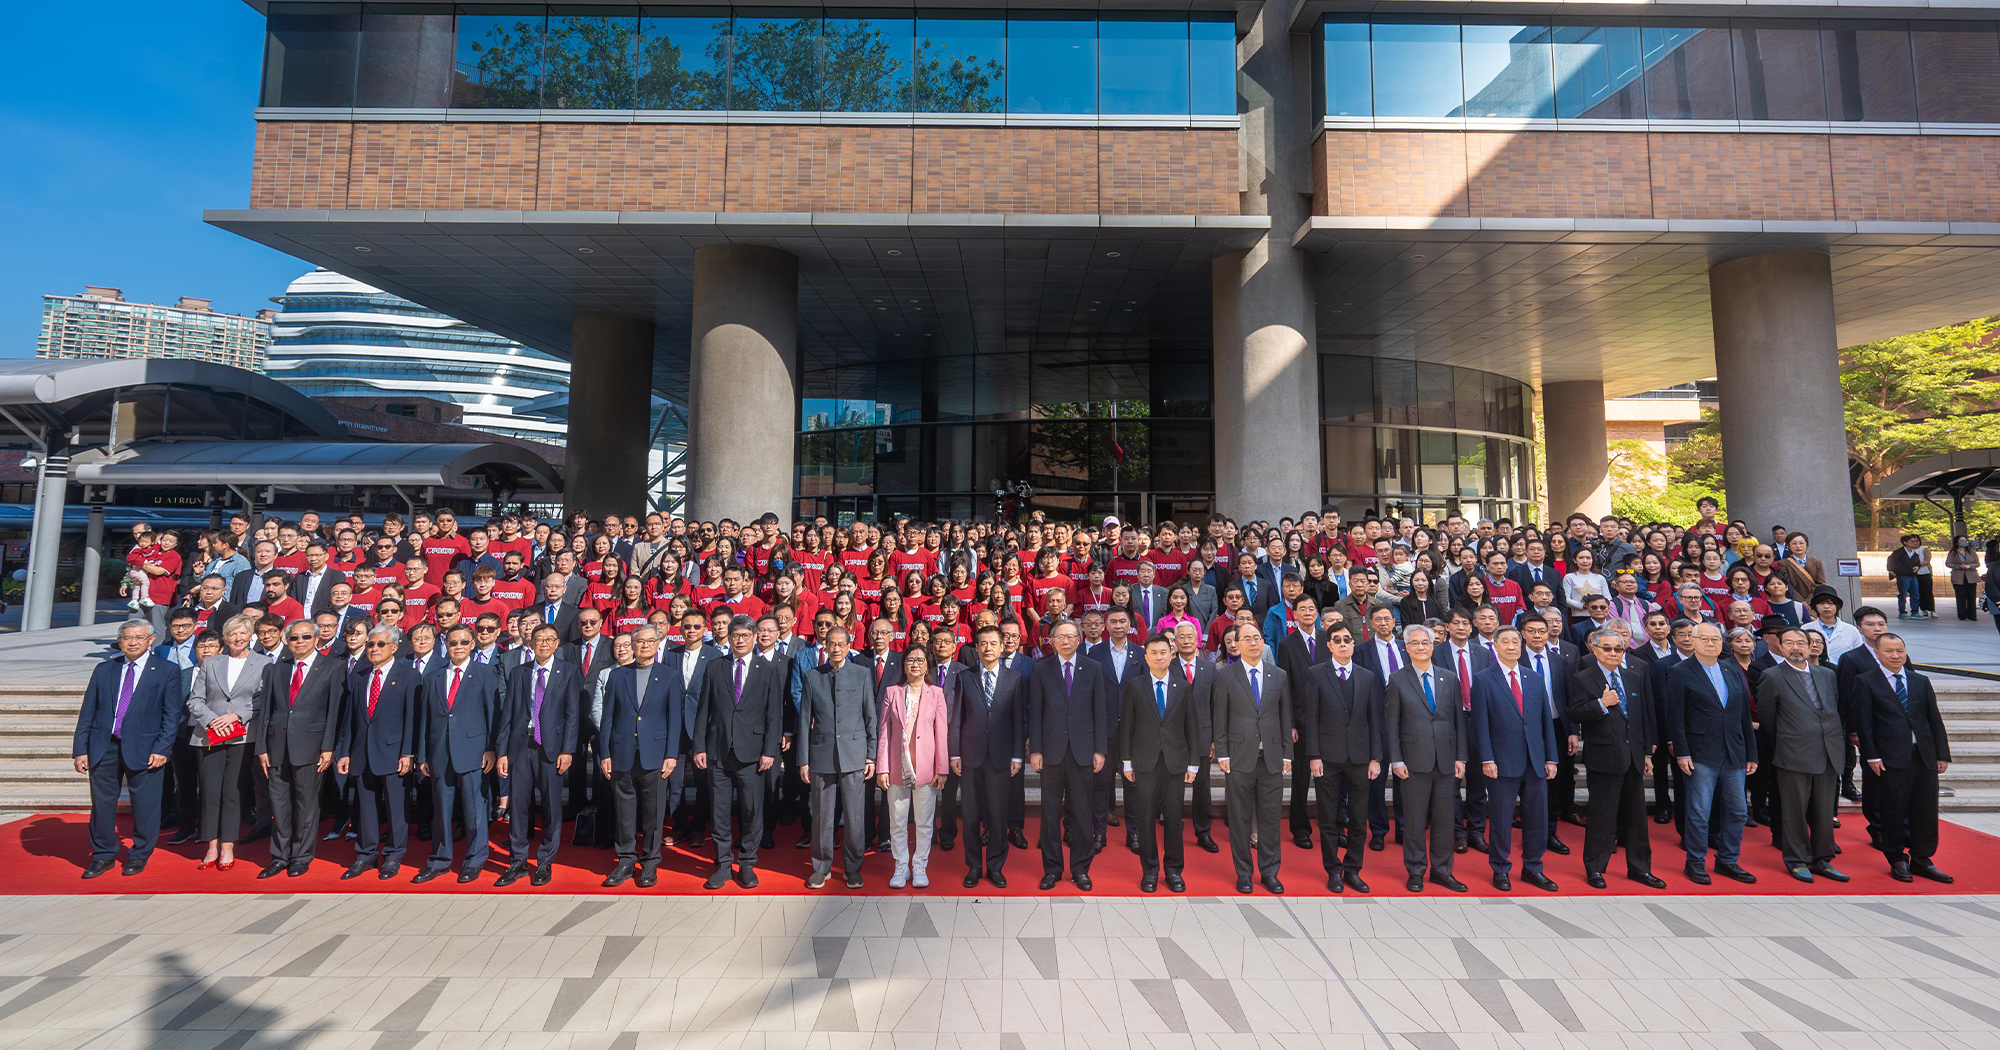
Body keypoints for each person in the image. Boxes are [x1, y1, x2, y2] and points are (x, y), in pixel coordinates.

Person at [73, 619, 181, 879]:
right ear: (119, 641)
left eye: (138, 637)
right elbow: (87, 712)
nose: (133, 642)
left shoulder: (166, 670)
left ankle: (139, 853)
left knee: (145, 805)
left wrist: (163, 748)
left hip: (147, 748)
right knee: (102, 805)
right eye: (127, 637)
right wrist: (80, 749)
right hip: (103, 746)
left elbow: (172, 714)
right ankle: (103, 855)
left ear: (150, 639)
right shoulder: (104, 669)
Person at [692, 615, 786, 890]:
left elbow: (774, 715)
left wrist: (770, 751)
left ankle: (747, 863)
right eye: (736, 636)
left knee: (751, 810)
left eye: (746, 635)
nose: (741, 640)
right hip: (718, 752)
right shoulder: (714, 667)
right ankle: (722, 864)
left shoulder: (768, 670)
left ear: (755, 637)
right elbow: (703, 712)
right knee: (719, 811)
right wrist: (699, 746)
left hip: (753, 753)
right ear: (729, 638)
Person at [1662, 622, 1757, 886]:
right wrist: (1681, 752)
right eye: (1704, 639)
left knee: (1738, 811)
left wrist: (1752, 753)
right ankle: (1695, 862)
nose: (1710, 643)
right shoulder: (1680, 672)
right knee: (1699, 811)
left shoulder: (1731, 669)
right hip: (1700, 753)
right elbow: (1675, 717)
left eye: (1715, 639)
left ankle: (1728, 859)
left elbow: (1743, 716)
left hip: (1734, 752)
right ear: (1691, 641)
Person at [1569, 628, 1665, 890]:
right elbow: (1574, 713)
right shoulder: (1582, 678)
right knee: (1602, 817)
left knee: (1637, 818)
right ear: (1595, 650)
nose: (1613, 653)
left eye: (1618, 649)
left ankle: (1640, 868)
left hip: (1634, 755)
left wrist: (1646, 752)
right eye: (1607, 648)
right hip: (1603, 757)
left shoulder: (1633, 676)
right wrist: (1600, 703)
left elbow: (1643, 714)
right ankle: (1595, 869)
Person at [1852, 634, 1953, 883]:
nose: (1895, 655)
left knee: (1926, 810)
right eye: (1889, 651)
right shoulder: (1865, 681)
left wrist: (1942, 754)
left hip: (1924, 756)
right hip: (1889, 758)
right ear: (1877, 653)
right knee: (1894, 809)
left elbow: (1934, 720)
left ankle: (1922, 858)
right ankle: (1897, 858)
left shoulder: (1920, 680)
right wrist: (1871, 756)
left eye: (1900, 650)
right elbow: (1864, 724)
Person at [1469, 627, 1560, 892]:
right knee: (1501, 818)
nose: (1511, 646)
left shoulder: (1534, 678)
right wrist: (1486, 758)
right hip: (1501, 761)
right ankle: (1500, 868)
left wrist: (1551, 758)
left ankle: (1533, 867)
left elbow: (1545, 721)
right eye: (1505, 642)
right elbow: (1480, 724)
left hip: (1535, 761)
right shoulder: (1484, 679)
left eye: (1515, 642)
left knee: (1537, 818)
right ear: (1494, 646)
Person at [252, 618, 344, 879]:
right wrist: (262, 748)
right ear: (287, 641)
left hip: (311, 747)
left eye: (305, 637)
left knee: (306, 805)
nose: (299, 642)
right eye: (294, 638)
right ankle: (280, 856)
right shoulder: (276, 669)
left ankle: (301, 856)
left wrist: (328, 747)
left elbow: (334, 711)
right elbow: (266, 712)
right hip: (276, 747)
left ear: (316, 639)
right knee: (279, 805)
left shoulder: (332, 667)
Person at [1756, 627, 1847, 883]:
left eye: (1801, 643)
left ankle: (1822, 860)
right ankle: (1797, 860)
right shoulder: (1772, 676)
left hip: (1828, 751)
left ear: (1810, 646)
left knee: (1823, 810)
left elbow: (1834, 709)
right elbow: (1768, 720)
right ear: (1781, 647)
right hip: (1792, 753)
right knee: (1794, 810)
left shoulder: (1827, 674)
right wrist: (1788, 742)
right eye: (1789, 643)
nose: (1796, 648)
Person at [1117, 634, 1205, 893]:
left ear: (1171, 654)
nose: (1158, 656)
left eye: (1163, 652)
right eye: (1153, 652)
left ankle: (1174, 870)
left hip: (1175, 763)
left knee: (1175, 819)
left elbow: (1192, 728)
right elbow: (1127, 727)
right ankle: (1150, 870)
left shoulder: (1184, 687)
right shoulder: (1135, 686)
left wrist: (1193, 765)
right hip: (1144, 762)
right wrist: (1127, 762)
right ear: (1145, 657)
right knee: (1145, 818)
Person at [597, 626, 683, 888]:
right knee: (624, 811)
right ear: (631, 645)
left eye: (650, 641)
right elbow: (607, 718)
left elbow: (675, 719)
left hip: (655, 755)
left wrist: (671, 754)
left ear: (658, 644)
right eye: (639, 641)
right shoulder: (618, 675)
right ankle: (624, 860)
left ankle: (649, 863)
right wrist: (604, 753)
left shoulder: (669, 676)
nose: (645, 645)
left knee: (653, 812)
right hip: (622, 752)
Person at [495, 623, 580, 887]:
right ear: (530, 643)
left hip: (551, 748)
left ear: (557, 644)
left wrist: (568, 750)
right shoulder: (519, 672)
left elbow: (572, 715)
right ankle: (517, 861)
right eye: (538, 639)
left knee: (552, 806)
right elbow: (507, 714)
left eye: (549, 639)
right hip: (521, 747)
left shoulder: (568, 671)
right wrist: (501, 752)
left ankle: (544, 862)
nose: (543, 643)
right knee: (519, 806)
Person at [1299, 623, 1381, 893]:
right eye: (1338, 640)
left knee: (1358, 819)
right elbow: (1311, 717)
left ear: (1353, 644)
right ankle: (1333, 869)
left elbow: (1374, 719)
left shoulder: (1367, 676)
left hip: (1359, 757)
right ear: (1330, 645)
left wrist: (1375, 758)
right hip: (1328, 758)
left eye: (1348, 639)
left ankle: (1353, 869)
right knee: (1328, 817)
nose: (1344, 643)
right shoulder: (1316, 674)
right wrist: (1314, 755)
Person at [1383, 624, 1465, 893]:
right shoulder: (1397, 679)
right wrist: (1396, 760)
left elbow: (1458, 721)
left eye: (1425, 642)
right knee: (1415, 821)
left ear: (1433, 645)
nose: (1420, 647)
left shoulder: (1449, 678)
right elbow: (1391, 724)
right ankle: (1416, 870)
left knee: (1444, 820)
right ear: (1406, 648)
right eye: (1415, 643)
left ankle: (1442, 871)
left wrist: (1460, 757)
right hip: (1412, 761)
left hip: (1445, 760)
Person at [416, 624, 501, 884]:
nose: (458, 647)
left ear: (472, 644)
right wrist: (422, 756)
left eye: (464, 642)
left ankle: (475, 860)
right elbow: (425, 720)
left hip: (473, 753)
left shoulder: (485, 673)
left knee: (474, 809)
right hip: (439, 753)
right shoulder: (433, 676)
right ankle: (440, 860)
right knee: (441, 811)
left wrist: (491, 749)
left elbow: (492, 714)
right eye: (453, 643)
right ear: (446, 646)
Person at [1026, 621, 1107, 891]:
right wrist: (1035, 749)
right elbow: (1035, 712)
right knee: (1049, 813)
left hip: (1083, 750)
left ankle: (1081, 869)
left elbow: (1100, 710)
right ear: (1051, 640)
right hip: (1051, 750)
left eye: (1071, 636)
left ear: (1079, 638)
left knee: (1083, 812)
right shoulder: (1041, 668)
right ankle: (1052, 869)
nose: (1066, 641)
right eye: (1060, 636)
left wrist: (1099, 749)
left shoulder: (1093, 668)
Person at [797, 624, 879, 889]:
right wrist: (803, 760)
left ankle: (852, 867)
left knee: (855, 815)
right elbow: (803, 721)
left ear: (848, 645)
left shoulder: (862, 674)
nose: (835, 648)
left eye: (840, 644)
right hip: (821, 754)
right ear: (825, 645)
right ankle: (821, 866)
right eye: (831, 644)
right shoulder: (812, 676)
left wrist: (871, 755)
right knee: (821, 815)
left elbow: (870, 718)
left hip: (854, 755)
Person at [185, 614, 269, 873]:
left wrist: (237, 715)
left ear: (251, 636)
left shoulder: (264, 663)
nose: (238, 638)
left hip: (242, 734)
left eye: (243, 633)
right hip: (208, 734)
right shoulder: (211, 663)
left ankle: (228, 846)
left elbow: (263, 699)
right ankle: (211, 845)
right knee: (210, 792)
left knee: (233, 791)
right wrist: (213, 720)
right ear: (224, 638)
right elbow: (195, 700)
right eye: (233, 634)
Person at [336, 625, 420, 880]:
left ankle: (394, 855)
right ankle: (365, 855)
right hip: (362, 753)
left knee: (396, 808)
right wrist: (346, 751)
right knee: (367, 808)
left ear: (394, 648)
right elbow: (351, 717)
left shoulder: (408, 675)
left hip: (394, 753)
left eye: (380, 644)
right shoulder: (360, 675)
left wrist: (408, 753)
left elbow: (412, 718)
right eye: (371, 644)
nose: (374, 649)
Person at [952, 623, 1027, 888]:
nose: (988, 648)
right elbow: (957, 720)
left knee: (997, 815)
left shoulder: (1014, 678)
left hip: (1001, 756)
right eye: (983, 643)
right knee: (971, 815)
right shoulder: (964, 677)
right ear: (976, 647)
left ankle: (995, 865)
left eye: (993, 643)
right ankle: (973, 865)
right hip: (970, 756)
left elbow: (1019, 720)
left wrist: (1018, 756)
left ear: (1002, 646)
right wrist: (954, 754)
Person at [877, 647, 951, 888]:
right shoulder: (892, 692)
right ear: (903, 664)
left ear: (927, 665)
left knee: (924, 821)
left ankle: (919, 864)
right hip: (898, 766)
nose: (915, 664)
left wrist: (942, 768)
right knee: (897, 820)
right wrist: (882, 768)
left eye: (920, 660)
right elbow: (884, 732)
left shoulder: (937, 694)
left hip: (927, 769)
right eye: (910, 660)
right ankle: (900, 865)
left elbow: (941, 733)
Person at [1946, 536, 1981, 621]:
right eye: (1961, 541)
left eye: (1965, 541)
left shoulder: (1971, 552)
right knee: (1960, 596)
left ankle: (1972, 615)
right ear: (1957, 542)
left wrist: (1969, 566)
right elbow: (1948, 563)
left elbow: (1977, 563)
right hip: (1958, 576)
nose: (1964, 542)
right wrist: (1958, 566)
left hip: (1971, 576)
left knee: (1971, 596)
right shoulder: (1953, 553)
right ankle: (1962, 615)